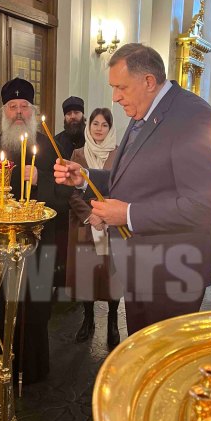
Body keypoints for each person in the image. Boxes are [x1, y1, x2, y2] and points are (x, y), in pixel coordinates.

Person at [54, 43, 211, 335]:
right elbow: (131, 178)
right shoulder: (141, 113)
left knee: (163, 363)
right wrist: (86, 177)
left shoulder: (192, 116)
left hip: (172, 270)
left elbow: (203, 206)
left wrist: (129, 214)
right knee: (142, 354)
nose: (115, 97)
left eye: (121, 88)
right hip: (139, 263)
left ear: (149, 82)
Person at [0, 77, 72, 384]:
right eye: (12, 106)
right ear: (3, 111)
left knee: (35, 309)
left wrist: (39, 179)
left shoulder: (49, 146)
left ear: (32, 110)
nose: (18, 112)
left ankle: (31, 370)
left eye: (24, 106)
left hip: (39, 244)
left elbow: (65, 196)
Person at [66, 107, 123, 347]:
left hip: (113, 224)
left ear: (110, 128)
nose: (99, 129)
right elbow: (69, 189)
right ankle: (87, 319)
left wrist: (107, 215)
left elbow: (123, 186)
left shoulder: (120, 153)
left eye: (104, 125)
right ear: (88, 127)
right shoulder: (78, 153)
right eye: (95, 124)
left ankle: (112, 320)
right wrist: (91, 215)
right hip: (85, 224)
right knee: (87, 273)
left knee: (112, 274)